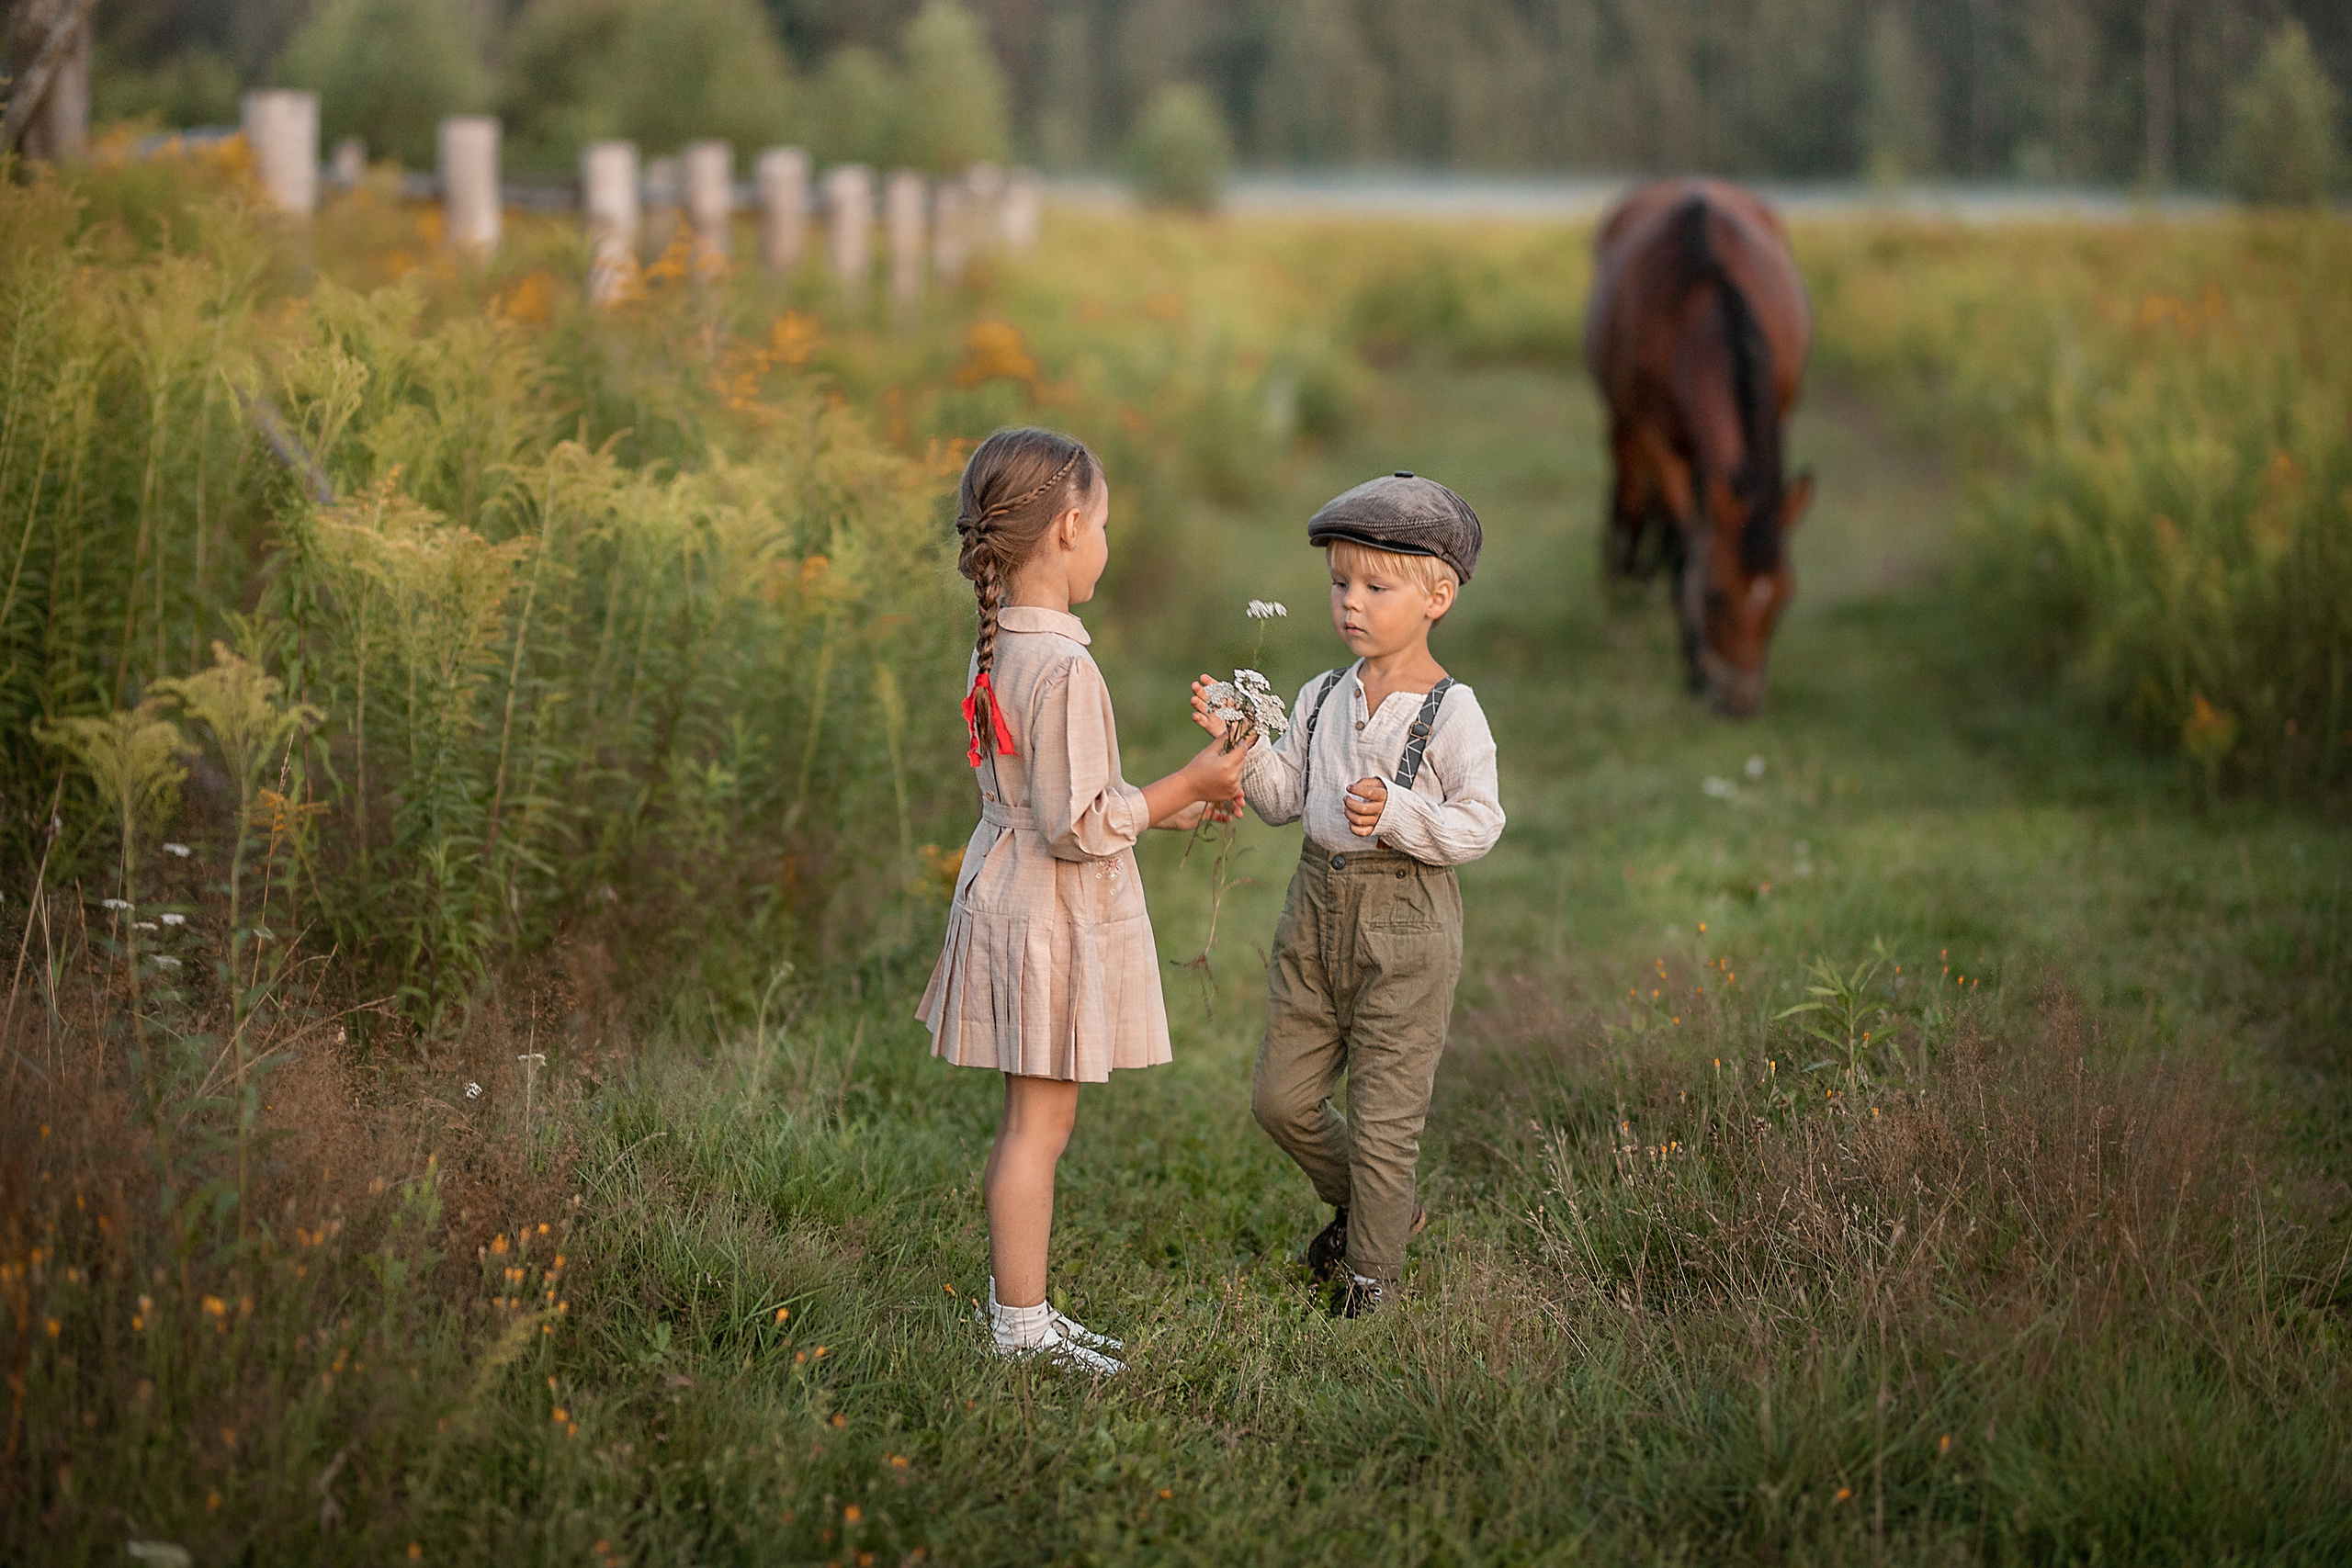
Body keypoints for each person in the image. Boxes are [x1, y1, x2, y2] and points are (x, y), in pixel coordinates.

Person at [920, 427, 1250, 1374]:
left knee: (1034, 1123)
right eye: (1102, 523)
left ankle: (1022, 1315)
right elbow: (1076, 826)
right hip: (1044, 913)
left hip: (1008, 886)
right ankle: (1019, 1328)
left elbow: (1059, 800)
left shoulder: (1001, 641)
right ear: (1068, 530)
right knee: (1038, 1128)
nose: (1107, 539)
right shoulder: (1064, 666)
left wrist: (1160, 810)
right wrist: (1186, 785)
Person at [1194, 472, 1503, 1316]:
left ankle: (1370, 1281)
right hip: (1314, 913)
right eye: (1339, 583)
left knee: (1383, 1116)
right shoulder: (1322, 694)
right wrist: (1241, 737)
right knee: (1280, 1099)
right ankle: (1389, 1211)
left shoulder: (1451, 712)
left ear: (1438, 595)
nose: (1350, 603)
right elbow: (1281, 799)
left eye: (1376, 585)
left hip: (1406, 922)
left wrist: (1400, 810)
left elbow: (1480, 822)